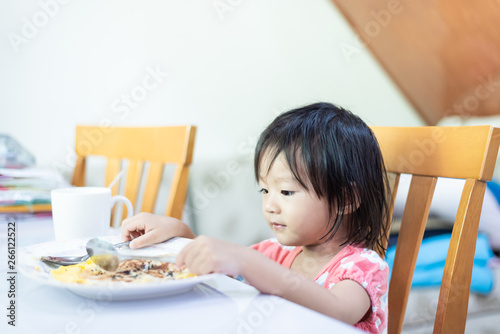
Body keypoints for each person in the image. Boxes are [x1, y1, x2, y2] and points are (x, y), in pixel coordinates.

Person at [121, 102, 391, 333]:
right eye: (264, 190)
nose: (270, 205)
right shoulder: (277, 252)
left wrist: (248, 261)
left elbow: (336, 312)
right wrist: (181, 234)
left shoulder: (361, 267)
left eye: (286, 191)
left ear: (346, 199)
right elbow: (225, 270)